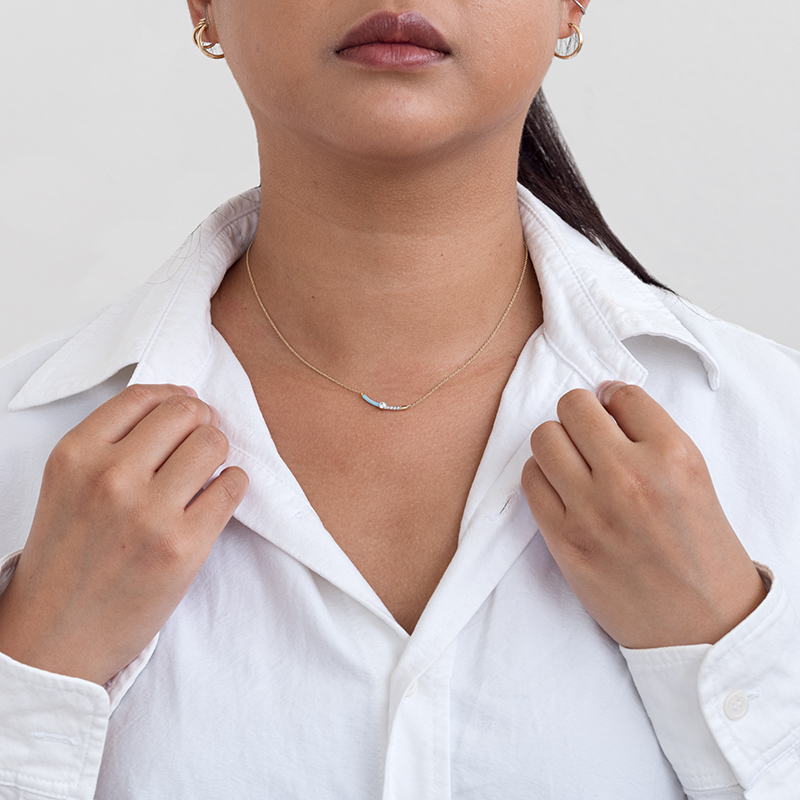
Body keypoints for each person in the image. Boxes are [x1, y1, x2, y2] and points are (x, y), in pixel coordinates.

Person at [0, 0, 798, 797]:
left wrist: (722, 649)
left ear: (570, 6)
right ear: (205, 6)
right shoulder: (21, 453)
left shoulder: (773, 429)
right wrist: (35, 669)